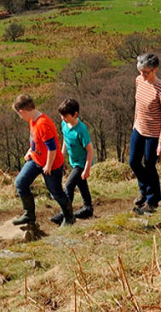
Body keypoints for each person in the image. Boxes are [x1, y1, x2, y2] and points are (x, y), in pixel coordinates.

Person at [11, 94, 75, 227]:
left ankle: (69, 217)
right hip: (37, 160)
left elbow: (52, 149)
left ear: (22, 112)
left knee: (56, 192)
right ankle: (29, 215)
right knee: (20, 183)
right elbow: (36, 140)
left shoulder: (43, 124)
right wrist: (30, 151)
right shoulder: (32, 120)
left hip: (52, 164)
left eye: (19, 114)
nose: (20, 117)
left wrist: (48, 166)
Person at [128, 52, 161, 215]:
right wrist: (134, 123)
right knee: (133, 162)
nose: (143, 75)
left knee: (150, 165)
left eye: (146, 72)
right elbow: (137, 105)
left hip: (154, 133)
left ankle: (152, 200)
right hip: (138, 128)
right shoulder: (139, 80)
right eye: (141, 71)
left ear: (155, 70)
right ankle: (144, 191)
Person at [51, 98, 94, 224]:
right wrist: (61, 157)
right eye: (61, 116)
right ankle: (88, 208)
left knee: (68, 186)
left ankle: (66, 214)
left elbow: (90, 150)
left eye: (65, 116)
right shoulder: (64, 125)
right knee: (81, 184)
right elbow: (65, 140)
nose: (62, 118)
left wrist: (87, 168)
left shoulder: (81, 130)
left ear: (75, 114)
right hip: (73, 161)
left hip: (82, 162)